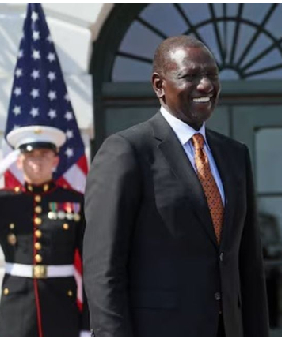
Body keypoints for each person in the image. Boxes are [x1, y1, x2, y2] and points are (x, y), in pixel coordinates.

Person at [82, 35, 269, 337]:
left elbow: (248, 265)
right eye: (190, 76)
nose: (206, 85)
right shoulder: (127, 151)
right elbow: (103, 269)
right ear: (159, 85)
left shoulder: (235, 155)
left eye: (211, 75)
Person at [0, 125, 90, 337]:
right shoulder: (2, 201)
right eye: (29, 156)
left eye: (44, 155)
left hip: (61, 305)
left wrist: (86, 324)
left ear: (55, 160)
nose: (37, 162)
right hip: (17, 305)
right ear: (19, 162)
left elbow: (91, 264)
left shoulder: (75, 202)